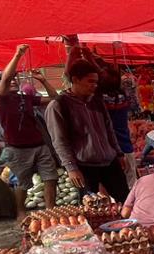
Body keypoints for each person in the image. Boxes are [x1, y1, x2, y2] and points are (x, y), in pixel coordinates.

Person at [45, 59, 129, 200]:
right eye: (90, 81)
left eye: (96, 82)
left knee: (125, 200)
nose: (95, 86)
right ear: (75, 80)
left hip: (109, 161)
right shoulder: (59, 105)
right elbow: (59, 141)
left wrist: (119, 153)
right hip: (84, 166)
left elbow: (109, 130)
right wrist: (71, 168)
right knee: (91, 207)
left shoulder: (96, 101)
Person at [0, 45, 59, 218]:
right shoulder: (1, 99)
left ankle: (50, 211)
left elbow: (54, 98)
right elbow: (7, 78)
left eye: (16, 79)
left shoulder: (25, 97)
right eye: (11, 80)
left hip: (39, 145)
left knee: (51, 178)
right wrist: (17, 55)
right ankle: (20, 212)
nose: (14, 81)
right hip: (18, 149)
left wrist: (43, 80)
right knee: (23, 183)